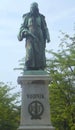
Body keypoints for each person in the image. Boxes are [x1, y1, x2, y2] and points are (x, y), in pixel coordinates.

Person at [18, 2, 50, 70]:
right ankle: (28, 66)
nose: (33, 9)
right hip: (30, 35)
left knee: (39, 52)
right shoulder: (27, 16)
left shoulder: (41, 17)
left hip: (39, 35)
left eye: (34, 8)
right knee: (30, 52)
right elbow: (23, 27)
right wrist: (24, 31)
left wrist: (47, 36)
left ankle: (40, 67)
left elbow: (45, 28)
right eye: (32, 8)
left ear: (37, 8)